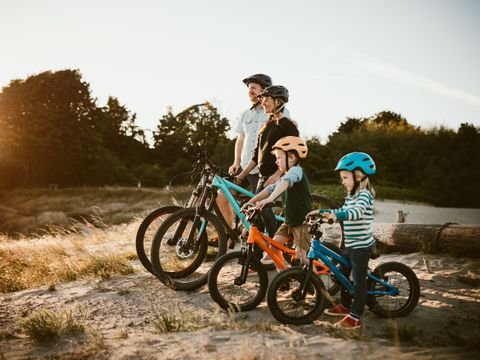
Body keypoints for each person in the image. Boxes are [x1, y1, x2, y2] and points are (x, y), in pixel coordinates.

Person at [306, 152, 376, 330]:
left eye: (345, 177)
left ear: (358, 176)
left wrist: (336, 217)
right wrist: (321, 213)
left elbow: (355, 213)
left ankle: (355, 316)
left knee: (359, 282)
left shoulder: (364, 195)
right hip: (351, 245)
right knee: (342, 276)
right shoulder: (351, 196)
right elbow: (341, 210)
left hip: (361, 247)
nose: (342, 181)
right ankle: (345, 305)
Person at [216, 74, 290, 238]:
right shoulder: (245, 114)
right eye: (249, 88)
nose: (250, 91)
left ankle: (274, 241)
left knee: (261, 205)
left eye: (253, 88)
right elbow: (241, 138)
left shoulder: (276, 113)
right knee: (222, 194)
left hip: (265, 169)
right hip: (245, 165)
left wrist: (279, 172)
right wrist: (236, 162)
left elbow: (288, 143)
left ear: (265, 91)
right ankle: (229, 232)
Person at [236, 85, 298, 253]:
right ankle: (258, 255)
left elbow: (293, 153)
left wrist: (278, 174)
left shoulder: (287, 126)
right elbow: (256, 157)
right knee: (257, 217)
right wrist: (242, 174)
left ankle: (276, 247)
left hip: (277, 176)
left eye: (267, 99)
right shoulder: (266, 126)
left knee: (263, 210)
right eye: (262, 99)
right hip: (263, 176)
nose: (263, 103)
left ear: (278, 102)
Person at [241, 136, 312, 269]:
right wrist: (250, 202)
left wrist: (270, 199)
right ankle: (284, 276)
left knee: (302, 258)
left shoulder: (296, 171)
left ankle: (318, 287)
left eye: (279, 158)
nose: (276, 161)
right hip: (289, 222)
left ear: (291, 157)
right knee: (273, 247)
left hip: (302, 223)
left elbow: (285, 183)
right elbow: (269, 189)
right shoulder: (285, 175)